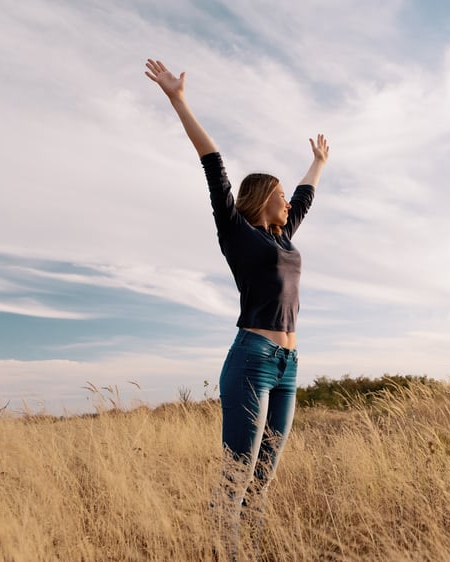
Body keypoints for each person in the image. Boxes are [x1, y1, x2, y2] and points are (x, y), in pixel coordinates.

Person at [145, 58, 329, 555]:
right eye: (280, 196)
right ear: (262, 197)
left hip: (288, 365)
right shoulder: (237, 232)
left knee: (265, 474)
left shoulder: (283, 237)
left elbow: (305, 197)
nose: (288, 202)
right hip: (252, 359)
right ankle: (224, 551)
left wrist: (318, 163)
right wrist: (178, 100)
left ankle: (250, 548)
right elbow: (213, 165)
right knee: (238, 473)